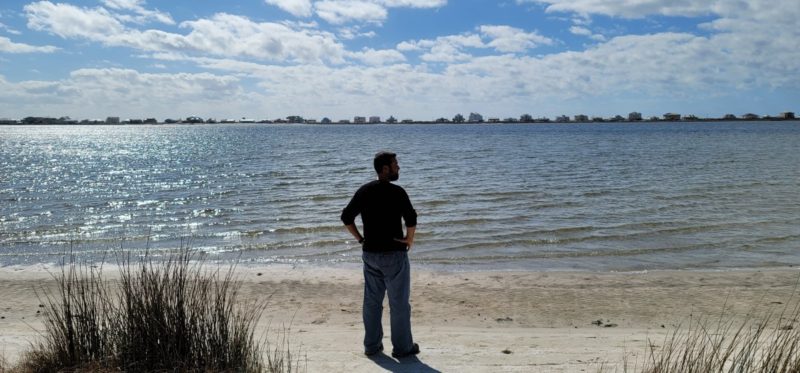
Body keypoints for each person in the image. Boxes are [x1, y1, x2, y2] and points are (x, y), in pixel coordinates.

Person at [341, 151, 420, 358]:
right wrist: (409, 239)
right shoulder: (397, 192)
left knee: (372, 302)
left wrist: (360, 239)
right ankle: (403, 348)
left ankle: (372, 346)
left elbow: (346, 217)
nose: (398, 167)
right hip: (394, 255)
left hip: (371, 255)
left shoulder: (364, 191)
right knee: (399, 303)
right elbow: (411, 219)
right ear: (385, 168)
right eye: (395, 164)